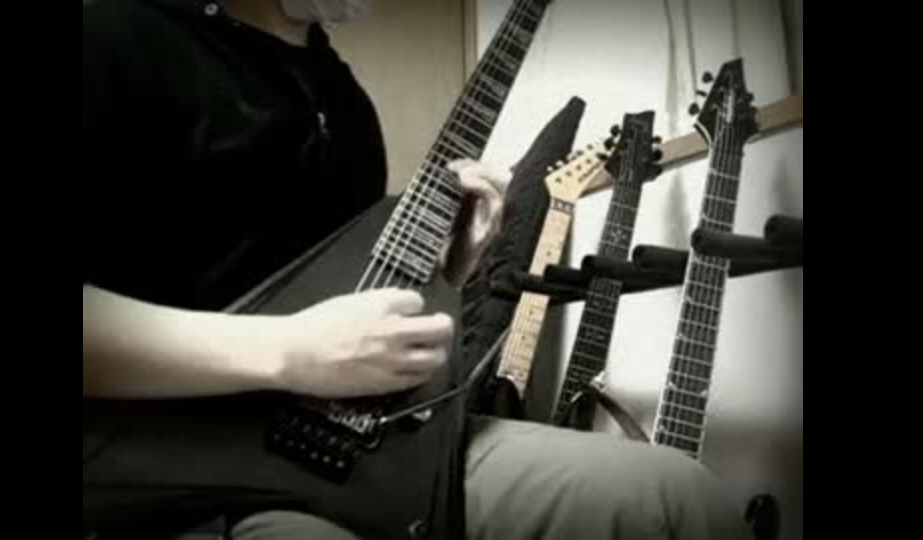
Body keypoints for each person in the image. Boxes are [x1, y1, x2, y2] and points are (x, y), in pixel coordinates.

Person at [82, 1, 753, 538]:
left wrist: (450, 270)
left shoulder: (341, 96)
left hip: (366, 446)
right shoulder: (115, 35)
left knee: (674, 497)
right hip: (173, 460)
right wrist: (287, 351)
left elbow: (346, 296)